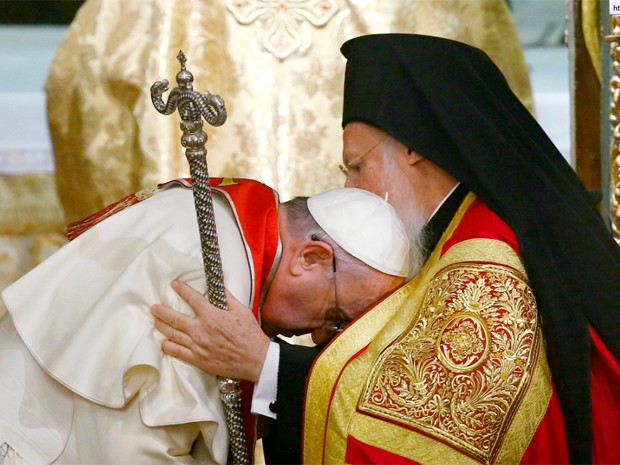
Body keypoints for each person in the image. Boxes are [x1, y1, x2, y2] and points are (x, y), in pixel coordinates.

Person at [153, 34, 620, 464]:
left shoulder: (485, 255)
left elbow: (433, 432)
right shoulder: (452, 230)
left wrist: (264, 363)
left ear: (414, 148)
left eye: (357, 167)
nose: (350, 188)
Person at [0, 176, 409, 464]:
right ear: (311, 258)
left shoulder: (226, 222)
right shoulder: (213, 285)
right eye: (334, 317)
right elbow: (135, 445)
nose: (321, 337)